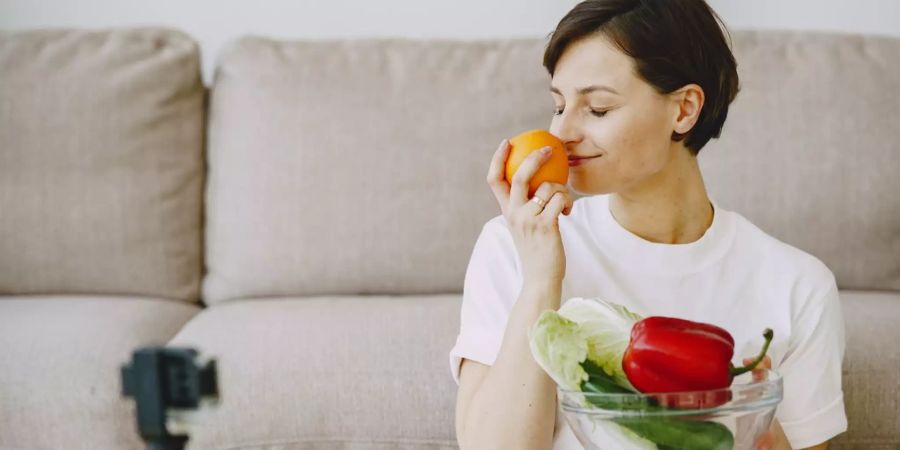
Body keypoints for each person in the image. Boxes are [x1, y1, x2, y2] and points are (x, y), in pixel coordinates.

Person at [448, 1, 847, 449]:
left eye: (597, 109)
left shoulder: (798, 285)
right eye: (559, 105)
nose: (561, 133)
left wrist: (747, 411)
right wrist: (541, 279)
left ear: (684, 110)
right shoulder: (512, 245)